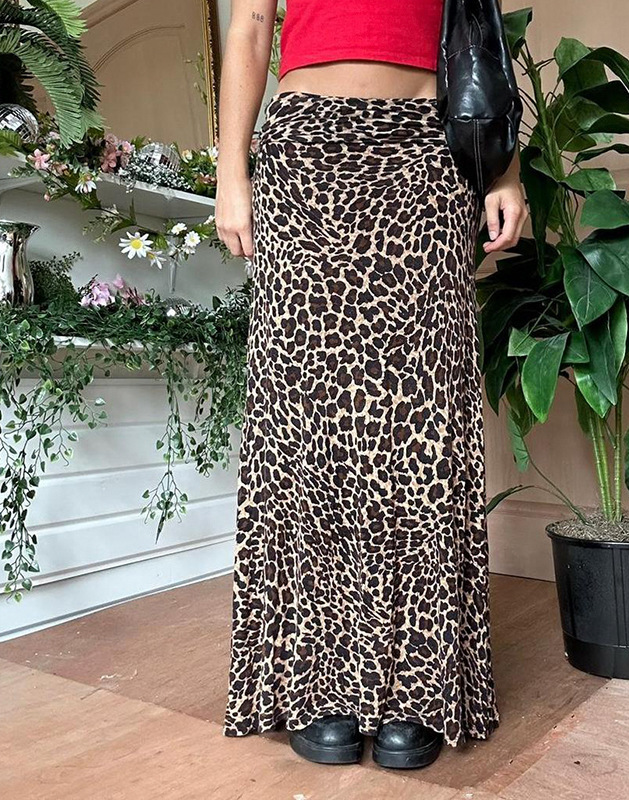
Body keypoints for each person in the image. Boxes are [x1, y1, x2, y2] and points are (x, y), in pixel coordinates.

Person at [215, 0, 528, 770]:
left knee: (421, 420)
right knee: (308, 420)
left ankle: (416, 684)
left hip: (424, 152)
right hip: (306, 154)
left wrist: (505, 170)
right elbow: (250, 22)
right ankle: (319, 682)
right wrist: (230, 172)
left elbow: (480, 35)